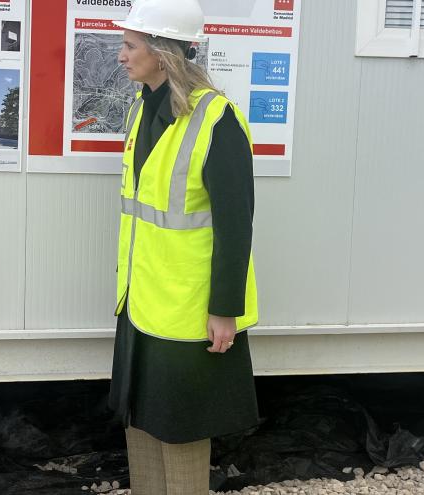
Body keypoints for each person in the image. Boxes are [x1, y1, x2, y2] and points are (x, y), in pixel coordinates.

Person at [108, 0, 259, 493]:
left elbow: (237, 225)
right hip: (141, 301)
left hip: (189, 310)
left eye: (130, 46)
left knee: (181, 429)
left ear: (162, 52)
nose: (121, 56)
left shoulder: (218, 120)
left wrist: (224, 311)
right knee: (141, 420)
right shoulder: (143, 108)